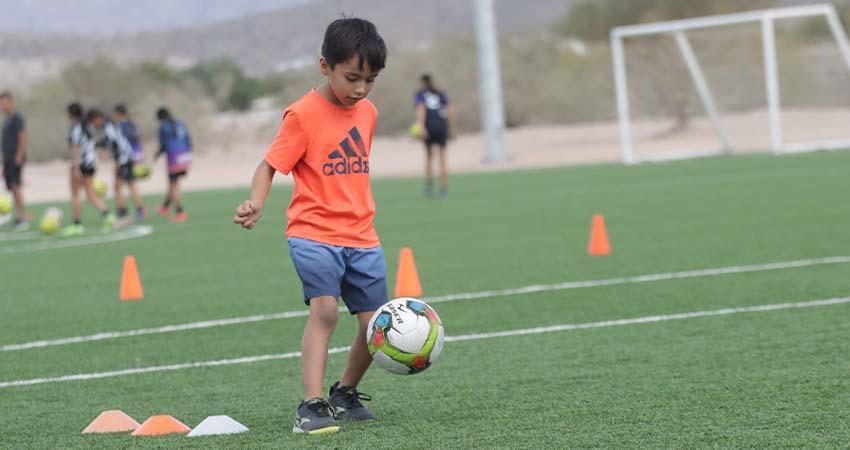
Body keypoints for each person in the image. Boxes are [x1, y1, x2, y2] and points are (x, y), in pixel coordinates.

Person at [233, 17, 388, 435]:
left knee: (376, 327)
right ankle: (311, 404)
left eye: (369, 80)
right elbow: (269, 166)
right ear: (325, 66)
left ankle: (345, 393)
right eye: (351, 77)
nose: (359, 89)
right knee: (324, 312)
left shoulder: (368, 112)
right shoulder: (302, 115)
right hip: (313, 233)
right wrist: (257, 203)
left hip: (362, 236)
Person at [62, 105, 115, 236]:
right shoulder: (88, 127)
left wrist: (75, 167)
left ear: (70, 114)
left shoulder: (76, 128)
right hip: (91, 163)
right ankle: (107, 214)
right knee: (90, 193)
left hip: (81, 163)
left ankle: (76, 224)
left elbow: (76, 147)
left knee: (75, 194)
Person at [89, 109, 146, 226]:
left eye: (93, 122)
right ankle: (140, 210)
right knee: (131, 184)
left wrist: (117, 162)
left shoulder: (107, 127)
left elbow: (114, 144)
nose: (94, 125)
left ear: (97, 118)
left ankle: (123, 214)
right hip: (129, 156)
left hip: (123, 158)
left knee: (118, 187)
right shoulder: (111, 125)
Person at [414, 74, 456, 198]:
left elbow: (421, 109)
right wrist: (452, 129)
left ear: (422, 82)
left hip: (430, 126)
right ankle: (443, 190)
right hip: (442, 126)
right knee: (443, 158)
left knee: (429, 157)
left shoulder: (420, 94)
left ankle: (430, 187)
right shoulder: (440, 93)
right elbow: (451, 109)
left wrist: (422, 127)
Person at [155, 107, 191, 223]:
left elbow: (163, 145)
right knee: (173, 182)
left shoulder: (163, 126)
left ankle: (180, 212)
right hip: (184, 154)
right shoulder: (180, 123)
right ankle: (165, 207)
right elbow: (188, 139)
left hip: (174, 156)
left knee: (174, 184)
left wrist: (157, 154)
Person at [1, 91, 28, 230]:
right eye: (1, 103)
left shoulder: (17, 118)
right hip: (8, 159)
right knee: (12, 187)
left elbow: (22, 137)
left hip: (15, 158)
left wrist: (19, 155)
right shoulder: (7, 119)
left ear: (11, 102)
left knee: (16, 187)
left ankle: (22, 218)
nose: (3, 106)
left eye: (5, 103)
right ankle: (18, 216)